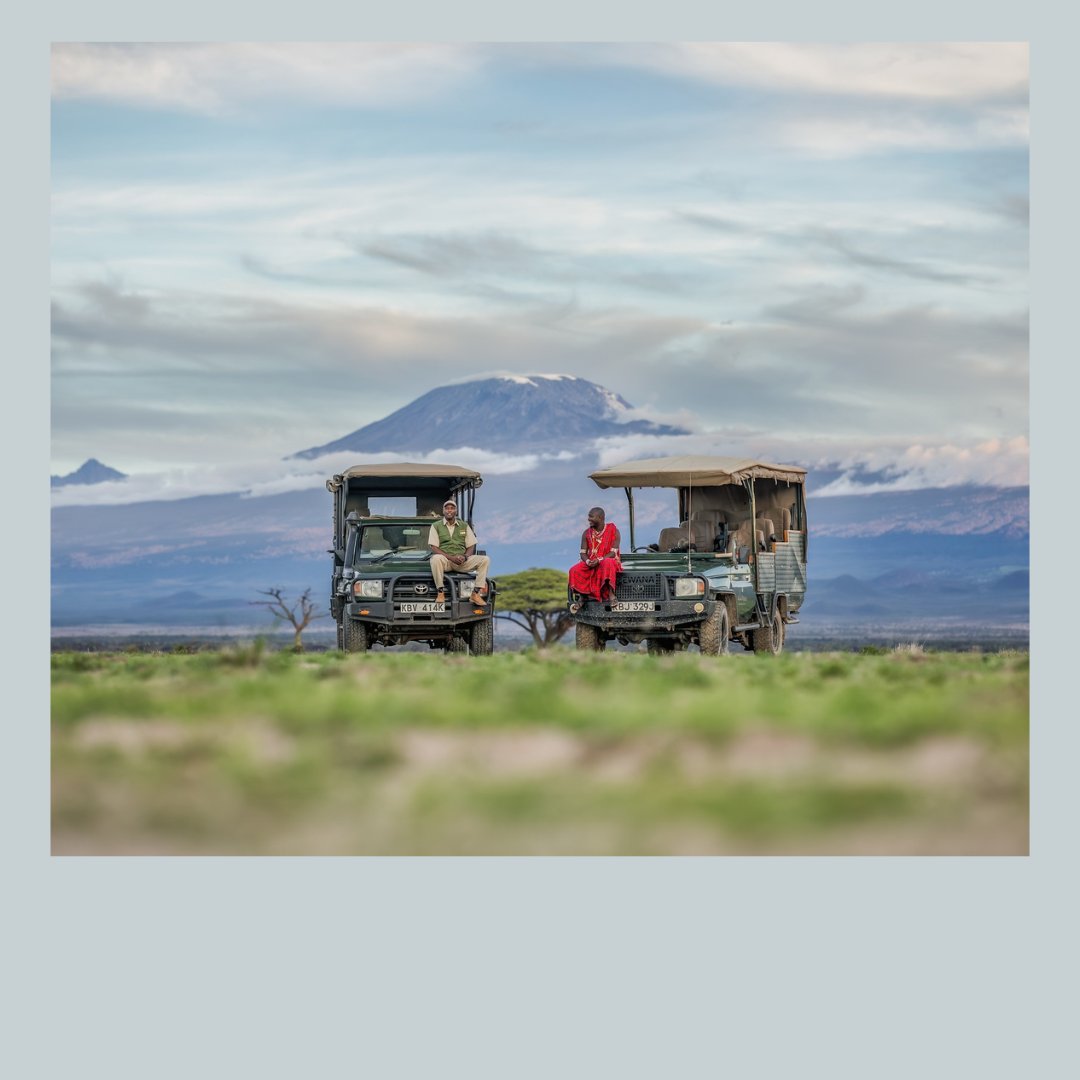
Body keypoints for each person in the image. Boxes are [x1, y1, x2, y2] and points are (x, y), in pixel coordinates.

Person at [428, 498, 491, 606]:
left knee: (485, 559)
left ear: (455, 511)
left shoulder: (464, 525)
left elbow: (471, 545)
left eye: (452, 508)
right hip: (446, 562)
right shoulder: (436, 526)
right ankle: (440, 592)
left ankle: (475, 594)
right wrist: (451, 558)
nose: (449, 510)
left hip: (461, 562)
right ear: (443, 511)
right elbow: (434, 547)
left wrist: (465, 557)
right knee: (436, 558)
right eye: (447, 508)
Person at [568, 507, 622, 601]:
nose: (589, 519)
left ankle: (611, 594)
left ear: (600, 518)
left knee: (607, 562)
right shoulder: (586, 533)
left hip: (608, 561)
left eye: (591, 517)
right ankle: (583, 596)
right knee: (574, 570)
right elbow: (583, 553)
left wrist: (599, 560)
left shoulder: (614, 531)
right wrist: (588, 561)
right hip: (592, 562)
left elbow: (613, 553)